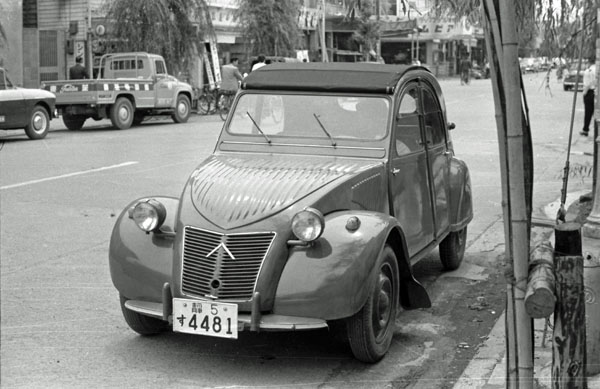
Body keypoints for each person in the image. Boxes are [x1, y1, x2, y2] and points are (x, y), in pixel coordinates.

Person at [580, 57, 597, 137]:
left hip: (590, 92)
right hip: (597, 92)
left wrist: (584, 93)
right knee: (597, 113)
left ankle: (585, 129)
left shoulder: (588, 71)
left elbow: (587, 84)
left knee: (588, 112)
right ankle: (597, 130)